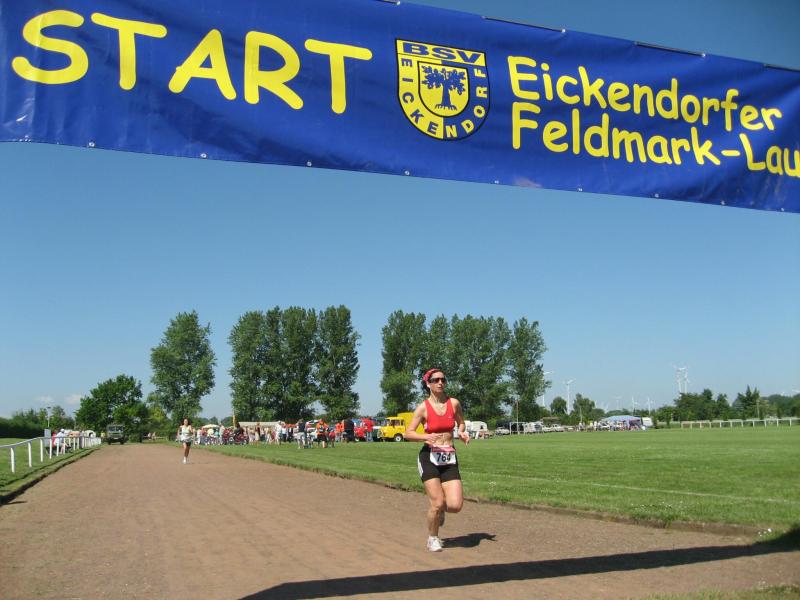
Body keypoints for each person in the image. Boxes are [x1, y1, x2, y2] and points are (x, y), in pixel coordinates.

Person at [405, 368, 470, 552]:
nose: (440, 382)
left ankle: (441, 511)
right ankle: (433, 538)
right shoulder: (423, 408)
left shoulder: (454, 403)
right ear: (428, 384)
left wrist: (462, 432)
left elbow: (461, 422)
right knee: (437, 502)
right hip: (429, 457)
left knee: (455, 505)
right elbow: (408, 433)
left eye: (443, 379)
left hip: (449, 457)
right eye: (436, 380)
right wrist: (424, 437)